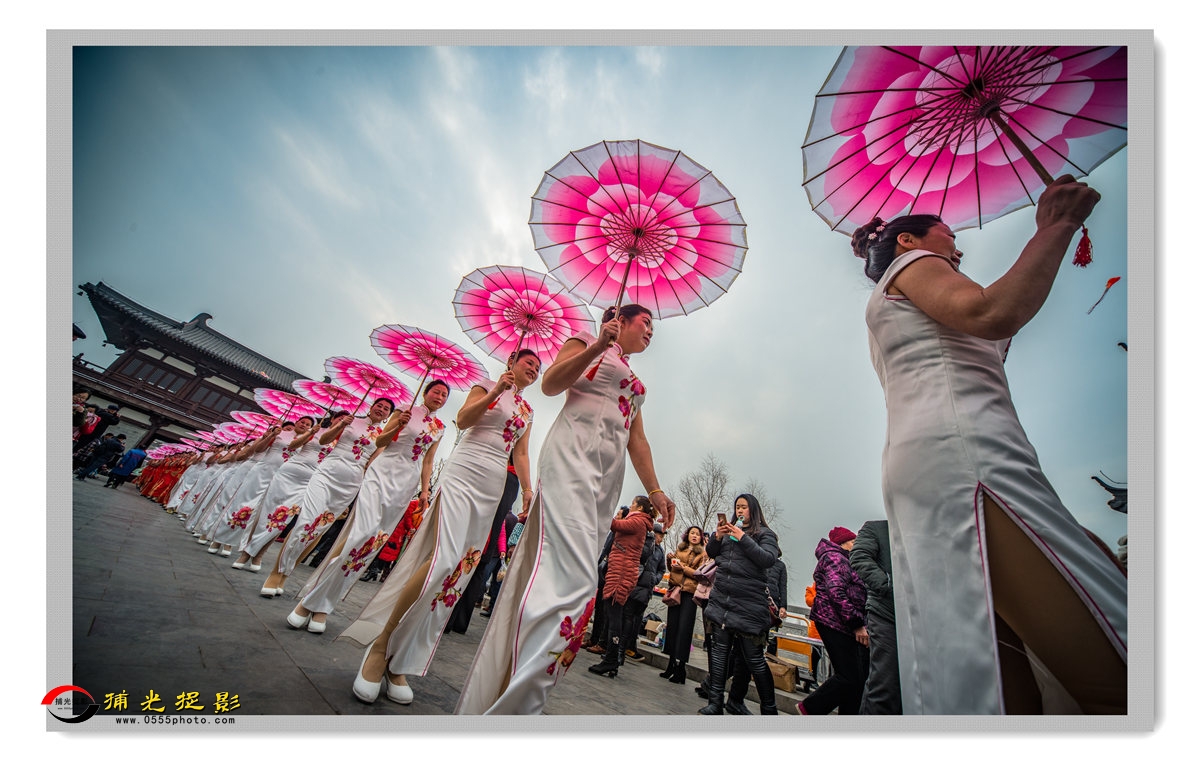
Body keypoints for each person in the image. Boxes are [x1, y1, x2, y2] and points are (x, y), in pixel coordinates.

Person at [856, 175, 1127, 714]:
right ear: (907, 241)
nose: (957, 249)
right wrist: (1056, 224)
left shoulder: (901, 302)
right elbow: (991, 311)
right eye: (949, 236)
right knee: (1112, 663)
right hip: (968, 456)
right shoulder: (911, 267)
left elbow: (996, 319)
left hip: (935, 459)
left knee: (997, 672)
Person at [455, 304, 676, 715]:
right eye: (645, 323)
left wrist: (655, 490)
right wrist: (597, 346)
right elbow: (551, 384)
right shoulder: (585, 342)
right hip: (571, 460)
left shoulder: (634, 381)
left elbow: (637, 439)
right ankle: (515, 704)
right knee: (574, 584)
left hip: (606, 479)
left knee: (574, 582)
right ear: (619, 320)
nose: (651, 331)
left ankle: (515, 691)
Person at [341, 353, 539, 705]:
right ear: (512, 359)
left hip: (492, 485)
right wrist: (497, 391)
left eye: (538, 368)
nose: (534, 370)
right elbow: (463, 420)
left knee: (458, 571)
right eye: (529, 363)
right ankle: (381, 645)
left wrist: (526, 489)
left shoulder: (528, 411)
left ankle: (401, 658)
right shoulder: (485, 387)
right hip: (465, 471)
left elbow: (520, 453)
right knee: (442, 560)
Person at [290, 380, 450, 635]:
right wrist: (398, 425)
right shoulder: (405, 410)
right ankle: (310, 601)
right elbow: (380, 442)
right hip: (381, 474)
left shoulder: (439, 428)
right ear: (426, 392)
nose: (439, 397)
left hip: (405, 483)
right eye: (436, 392)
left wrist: (424, 491)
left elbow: (428, 460)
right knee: (360, 534)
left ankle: (324, 606)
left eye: (444, 395)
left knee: (372, 543)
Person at [258, 398, 394, 597]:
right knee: (306, 521)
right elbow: (324, 441)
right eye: (379, 405)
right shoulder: (351, 421)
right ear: (371, 407)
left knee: (318, 529)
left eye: (386, 409)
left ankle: (286, 574)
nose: (381, 409)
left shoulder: (382, 436)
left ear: (388, 415)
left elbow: (371, 465)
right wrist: (341, 425)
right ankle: (275, 573)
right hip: (327, 473)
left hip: (350, 483)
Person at [697, 494, 780, 715]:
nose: (739, 510)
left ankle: (769, 710)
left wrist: (743, 537)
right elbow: (712, 553)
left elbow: (768, 559)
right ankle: (715, 703)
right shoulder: (728, 532)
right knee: (719, 655)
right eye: (737, 507)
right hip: (722, 602)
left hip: (749, 606)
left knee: (755, 660)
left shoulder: (765, 534)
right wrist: (717, 536)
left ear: (753, 509)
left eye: (744, 507)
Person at [798, 527, 869, 716]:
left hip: (842, 623)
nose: (856, 545)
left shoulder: (845, 559)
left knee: (856, 680)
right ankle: (810, 707)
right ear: (843, 543)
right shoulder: (835, 558)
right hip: (834, 622)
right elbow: (836, 592)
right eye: (853, 541)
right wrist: (856, 623)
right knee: (849, 676)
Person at [586, 496, 656, 678]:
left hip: (621, 573)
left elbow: (614, 524)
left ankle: (611, 658)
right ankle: (612, 658)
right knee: (613, 614)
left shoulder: (637, 521)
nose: (630, 506)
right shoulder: (640, 522)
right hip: (620, 571)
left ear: (639, 508)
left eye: (633, 503)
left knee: (615, 614)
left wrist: (602, 507)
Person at [849, 519, 901, 715]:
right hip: (885, 613)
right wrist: (887, 586)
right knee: (885, 683)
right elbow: (859, 557)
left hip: (918, 617)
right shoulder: (876, 528)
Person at [660, 524, 707, 683]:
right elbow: (673, 570)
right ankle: (671, 664)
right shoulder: (680, 550)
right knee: (672, 627)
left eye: (697, 534)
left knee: (684, 629)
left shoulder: (702, 554)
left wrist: (683, 567)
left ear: (701, 538)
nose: (694, 536)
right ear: (687, 535)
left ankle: (681, 668)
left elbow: (700, 574)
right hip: (675, 590)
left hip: (689, 593)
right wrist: (670, 561)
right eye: (692, 533)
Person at [622, 520, 666, 663]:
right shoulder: (644, 543)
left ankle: (629, 647)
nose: (661, 539)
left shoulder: (660, 551)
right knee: (628, 616)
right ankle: (622, 647)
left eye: (662, 536)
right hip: (635, 584)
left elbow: (662, 569)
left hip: (647, 588)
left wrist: (655, 579)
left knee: (637, 619)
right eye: (660, 535)